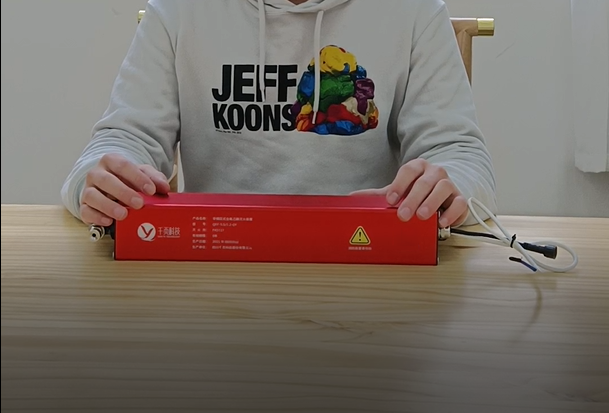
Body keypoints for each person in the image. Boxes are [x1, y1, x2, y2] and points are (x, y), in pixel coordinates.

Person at [61, 0, 497, 229]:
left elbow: (459, 154)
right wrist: (98, 184)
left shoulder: (415, 10)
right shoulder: (177, 9)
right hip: (213, 262)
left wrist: (448, 189)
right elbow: (124, 139)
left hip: (370, 259)